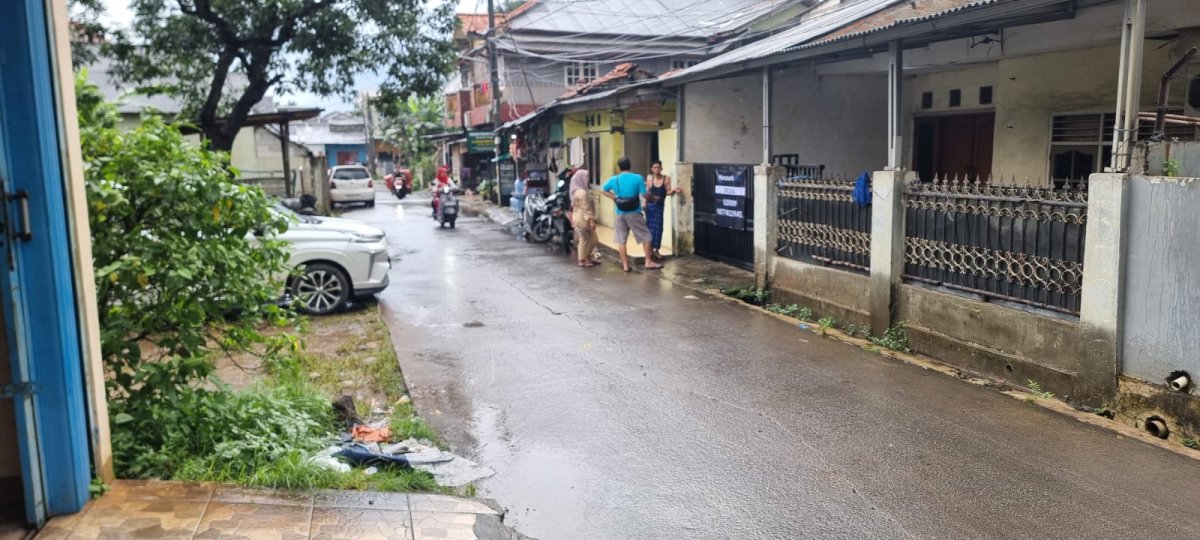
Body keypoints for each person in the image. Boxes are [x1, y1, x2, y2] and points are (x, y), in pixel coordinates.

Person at [602, 157, 663, 272]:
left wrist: (614, 198)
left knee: (621, 241)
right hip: (634, 213)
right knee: (647, 237)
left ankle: (625, 265)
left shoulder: (614, 179)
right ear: (630, 166)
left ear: (619, 167)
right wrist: (654, 198)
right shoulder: (637, 178)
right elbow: (644, 195)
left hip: (619, 213)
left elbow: (603, 189)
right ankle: (648, 261)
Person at [644, 160, 681, 261]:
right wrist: (644, 203)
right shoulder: (649, 178)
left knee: (658, 229)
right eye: (654, 167)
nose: (656, 169)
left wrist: (674, 190)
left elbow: (667, 191)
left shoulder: (666, 178)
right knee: (650, 229)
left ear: (661, 168)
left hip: (659, 207)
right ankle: (650, 250)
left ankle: (656, 250)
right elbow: (647, 192)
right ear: (652, 169)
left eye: (658, 167)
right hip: (650, 208)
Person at [569, 167, 599, 268]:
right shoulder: (582, 193)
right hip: (583, 219)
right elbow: (586, 208)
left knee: (592, 239)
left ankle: (588, 257)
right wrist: (591, 221)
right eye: (586, 177)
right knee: (586, 239)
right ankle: (582, 259)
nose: (587, 179)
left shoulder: (577, 191)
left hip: (579, 218)